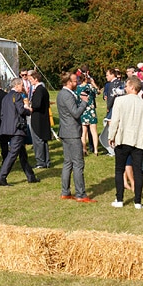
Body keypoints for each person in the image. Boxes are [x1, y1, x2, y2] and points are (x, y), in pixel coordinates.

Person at [107, 76, 143, 208]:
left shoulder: (120, 101)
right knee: (138, 171)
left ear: (132, 87)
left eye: (126, 86)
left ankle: (119, 199)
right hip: (139, 141)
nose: (124, 88)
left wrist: (111, 136)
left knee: (119, 170)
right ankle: (137, 201)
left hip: (122, 139)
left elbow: (115, 121)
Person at [57, 71, 92, 202]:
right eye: (74, 81)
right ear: (68, 82)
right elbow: (76, 113)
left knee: (68, 163)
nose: (76, 82)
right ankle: (80, 194)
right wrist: (84, 102)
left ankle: (65, 192)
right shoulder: (66, 95)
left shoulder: (63, 94)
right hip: (71, 133)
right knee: (78, 163)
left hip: (66, 132)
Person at [0, 78, 38, 186]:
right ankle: (1, 177)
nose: (23, 87)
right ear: (18, 85)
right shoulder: (17, 96)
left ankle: (31, 176)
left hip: (8, 128)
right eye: (22, 85)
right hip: (17, 129)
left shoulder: (6, 97)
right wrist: (29, 110)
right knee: (13, 154)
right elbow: (20, 110)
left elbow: (2, 114)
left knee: (22, 153)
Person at [28, 71, 52, 169]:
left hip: (38, 118)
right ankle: (46, 161)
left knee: (38, 140)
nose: (30, 81)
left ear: (35, 79)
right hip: (43, 117)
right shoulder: (43, 89)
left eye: (31, 80)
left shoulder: (39, 90)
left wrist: (29, 107)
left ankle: (40, 161)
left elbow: (37, 104)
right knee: (43, 140)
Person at [76, 71, 100, 155]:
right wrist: (93, 83)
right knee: (94, 131)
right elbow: (98, 92)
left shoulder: (77, 88)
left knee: (83, 132)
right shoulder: (90, 86)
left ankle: (84, 149)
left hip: (82, 111)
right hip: (91, 110)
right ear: (86, 79)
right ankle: (96, 150)